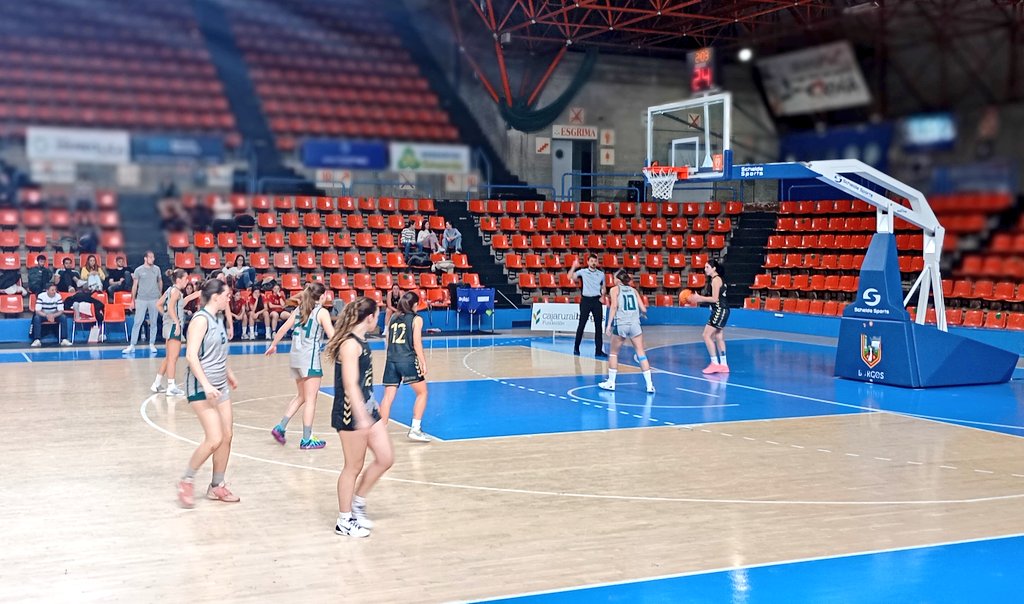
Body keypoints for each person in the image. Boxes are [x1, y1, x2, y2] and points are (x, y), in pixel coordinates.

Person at [324, 297, 393, 537]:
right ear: (370, 318)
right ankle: (344, 521)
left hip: (368, 410)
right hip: (350, 413)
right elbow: (350, 384)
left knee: (385, 458)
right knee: (353, 467)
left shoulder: (362, 341)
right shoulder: (350, 345)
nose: (379, 318)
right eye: (378, 314)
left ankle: (358, 504)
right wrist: (361, 415)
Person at [177, 278, 240, 509]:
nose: (229, 298)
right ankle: (187, 479)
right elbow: (192, 356)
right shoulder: (200, 320)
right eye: (227, 295)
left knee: (227, 435)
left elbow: (218, 352)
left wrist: (228, 372)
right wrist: (205, 384)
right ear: (215, 297)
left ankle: (216, 486)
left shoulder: (218, 318)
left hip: (219, 385)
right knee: (214, 439)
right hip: (201, 387)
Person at [266, 283, 335, 450]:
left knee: (302, 396)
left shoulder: (299, 309)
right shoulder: (322, 312)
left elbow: (282, 329)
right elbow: (332, 336)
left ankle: (280, 427)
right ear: (322, 296)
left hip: (295, 357)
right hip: (309, 359)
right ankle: (307, 438)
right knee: (311, 399)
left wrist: (273, 345)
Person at [379, 291, 431, 442]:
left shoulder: (393, 317)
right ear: (415, 305)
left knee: (388, 397)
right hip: (407, 360)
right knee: (422, 393)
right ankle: (415, 429)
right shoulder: (416, 319)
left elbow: (388, 340)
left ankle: (380, 431)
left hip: (391, 360)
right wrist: (423, 362)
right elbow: (417, 343)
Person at [598, 270, 655, 394]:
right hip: (635, 325)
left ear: (618, 280)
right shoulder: (633, 290)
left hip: (622, 324)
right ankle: (650, 385)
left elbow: (614, 306)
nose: (613, 280)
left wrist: (608, 324)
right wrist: (641, 314)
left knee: (613, 353)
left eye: (614, 278)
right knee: (641, 354)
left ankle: (611, 383)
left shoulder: (614, 290)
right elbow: (644, 309)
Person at [688, 259, 730, 374]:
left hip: (719, 310)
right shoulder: (718, 279)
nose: (705, 269)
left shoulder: (715, 280)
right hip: (723, 310)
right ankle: (724, 364)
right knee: (719, 336)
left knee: (706, 335)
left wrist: (699, 298)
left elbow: (715, 299)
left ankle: (715, 363)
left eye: (707, 267)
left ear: (714, 268)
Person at [152, 269, 189, 396]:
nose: (187, 281)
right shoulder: (176, 292)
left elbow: (158, 305)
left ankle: (156, 384)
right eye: (186, 279)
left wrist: (166, 316)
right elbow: (172, 307)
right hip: (174, 327)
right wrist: (176, 322)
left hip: (168, 326)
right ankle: (171, 387)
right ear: (179, 280)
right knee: (173, 358)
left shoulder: (169, 290)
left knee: (168, 358)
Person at [567, 254, 607, 358]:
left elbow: (603, 287)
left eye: (595, 261)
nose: (593, 263)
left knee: (598, 327)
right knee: (582, 324)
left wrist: (603, 296)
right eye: (591, 261)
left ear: (597, 262)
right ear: (588, 262)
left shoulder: (601, 274)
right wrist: (573, 267)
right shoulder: (583, 272)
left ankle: (598, 351)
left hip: (596, 301)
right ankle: (576, 348)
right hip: (586, 300)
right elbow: (569, 277)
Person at [123, 251, 163, 354]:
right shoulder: (139, 270)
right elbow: (135, 286)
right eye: (150, 257)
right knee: (137, 322)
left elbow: (160, 281)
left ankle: (152, 343)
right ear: (145, 258)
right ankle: (132, 345)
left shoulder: (157, 269)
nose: (152, 259)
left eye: (153, 257)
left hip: (154, 298)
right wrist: (133, 300)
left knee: (153, 322)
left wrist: (160, 295)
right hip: (141, 299)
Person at [30, 283, 70, 347]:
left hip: (54, 315)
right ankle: (37, 340)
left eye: (55, 290)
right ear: (47, 290)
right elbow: (37, 311)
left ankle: (64, 339)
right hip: (44, 315)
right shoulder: (41, 296)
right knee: (36, 318)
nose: (54, 292)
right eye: (52, 290)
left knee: (63, 317)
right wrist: (47, 316)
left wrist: (53, 315)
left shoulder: (58, 296)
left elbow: (61, 311)